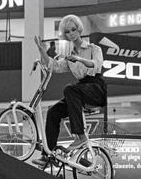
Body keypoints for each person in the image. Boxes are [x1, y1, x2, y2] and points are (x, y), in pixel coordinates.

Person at [32, 14, 107, 167]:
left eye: (73, 29)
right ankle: (48, 155)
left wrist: (79, 59)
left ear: (79, 29)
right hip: (80, 90)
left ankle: (80, 135)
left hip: (96, 87)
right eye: (67, 32)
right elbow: (53, 66)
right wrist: (41, 50)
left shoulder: (94, 48)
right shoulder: (69, 55)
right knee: (53, 111)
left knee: (70, 89)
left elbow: (97, 65)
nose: (71, 33)